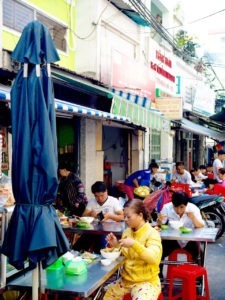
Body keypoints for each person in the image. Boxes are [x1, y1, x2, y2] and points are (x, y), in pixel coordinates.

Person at [103, 199, 162, 300]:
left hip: (146, 282)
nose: (125, 219)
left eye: (128, 217)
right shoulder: (127, 232)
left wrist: (134, 244)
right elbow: (125, 255)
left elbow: (154, 258)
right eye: (124, 216)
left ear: (140, 215)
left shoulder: (152, 234)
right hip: (126, 281)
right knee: (105, 294)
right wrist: (116, 245)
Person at [157, 191, 204, 277]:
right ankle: (159, 278)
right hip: (172, 240)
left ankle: (198, 279)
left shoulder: (193, 209)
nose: (179, 210)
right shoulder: (166, 208)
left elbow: (201, 226)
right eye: (176, 207)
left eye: (182, 207)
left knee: (200, 254)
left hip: (189, 240)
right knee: (158, 251)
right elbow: (160, 225)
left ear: (186, 204)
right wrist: (159, 220)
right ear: (172, 204)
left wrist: (193, 218)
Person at [73, 181, 124, 253]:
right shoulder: (92, 201)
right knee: (78, 247)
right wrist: (90, 213)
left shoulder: (113, 201)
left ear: (106, 191)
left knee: (100, 247)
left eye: (102, 195)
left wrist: (110, 216)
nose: (99, 198)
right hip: (93, 230)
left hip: (109, 232)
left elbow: (122, 217)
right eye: (96, 196)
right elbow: (83, 216)